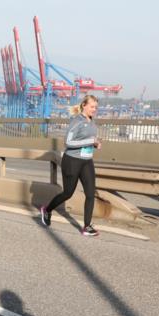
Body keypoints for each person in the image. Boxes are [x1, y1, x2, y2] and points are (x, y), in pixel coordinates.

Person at [39, 94, 101, 236]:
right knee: (68, 193)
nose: (94, 109)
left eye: (96, 107)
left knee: (90, 194)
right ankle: (47, 210)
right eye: (92, 107)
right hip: (72, 161)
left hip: (87, 161)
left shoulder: (92, 121)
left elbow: (88, 140)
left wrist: (95, 144)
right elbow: (68, 142)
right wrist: (90, 141)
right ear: (84, 105)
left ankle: (87, 227)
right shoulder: (76, 121)